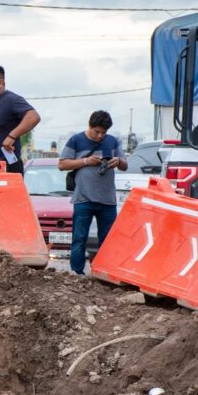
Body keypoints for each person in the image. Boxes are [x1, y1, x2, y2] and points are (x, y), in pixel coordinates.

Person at [58, 110, 127, 275]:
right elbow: (62, 164)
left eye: (104, 132)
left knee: (108, 240)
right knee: (79, 237)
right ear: (89, 126)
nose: (100, 136)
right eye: (97, 132)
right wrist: (85, 161)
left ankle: (104, 272)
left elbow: (125, 165)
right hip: (83, 198)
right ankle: (77, 272)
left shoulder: (113, 141)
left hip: (108, 200)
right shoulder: (76, 140)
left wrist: (118, 161)